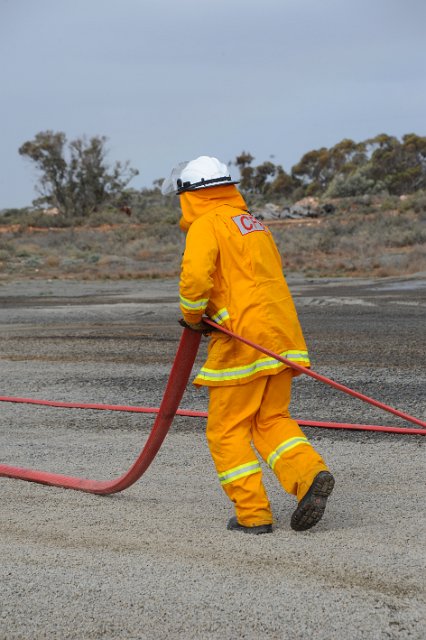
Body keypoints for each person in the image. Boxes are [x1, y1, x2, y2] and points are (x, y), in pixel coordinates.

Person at [162, 156, 334, 534]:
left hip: (242, 342)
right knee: (272, 419)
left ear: (189, 196)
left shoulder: (206, 224)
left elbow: (194, 279)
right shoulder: (253, 223)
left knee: (226, 431)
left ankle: (253, 514)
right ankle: (310, 476)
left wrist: (193, 318)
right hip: (282, 337)